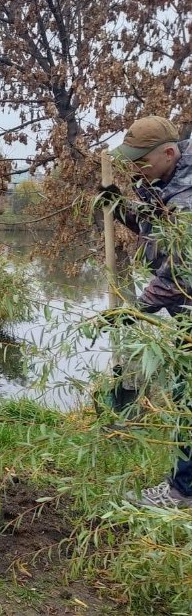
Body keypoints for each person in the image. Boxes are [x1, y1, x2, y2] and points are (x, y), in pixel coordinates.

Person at [100, 115, 192, 509]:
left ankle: (182, 492)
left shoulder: (187, 199)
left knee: (188, 397)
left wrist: (137, 310)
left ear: (168, 153)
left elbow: (180, 273)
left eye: (141, 161)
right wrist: (120, 207)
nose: (135, 169)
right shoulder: (167, 178)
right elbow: (155, 224)